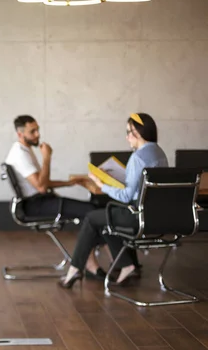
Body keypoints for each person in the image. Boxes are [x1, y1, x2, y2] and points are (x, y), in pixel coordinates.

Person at [58, 113, 168, 288]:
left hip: (136, 215)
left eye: (129, 132)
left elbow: (126, 196)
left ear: (138, 133)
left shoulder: (137, 157)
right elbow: (142, 187)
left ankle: (76, 268)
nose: (127, 137)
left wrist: (102, 185)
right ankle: (127, 266)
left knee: (92, 218)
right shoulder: (159, 153)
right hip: (154, 215)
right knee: (104, 219)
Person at [5, 115, 97, 220]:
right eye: (32, 131)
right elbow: (42, 188)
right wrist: (47, 157)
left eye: (37, 130)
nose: (37, 134)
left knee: (92, 208)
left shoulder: (24, 150)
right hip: (35, 205)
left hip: (39, 201)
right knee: (92, 210)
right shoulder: (20, 155)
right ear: (20, 134)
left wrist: (70, 183)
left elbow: (42, 182)